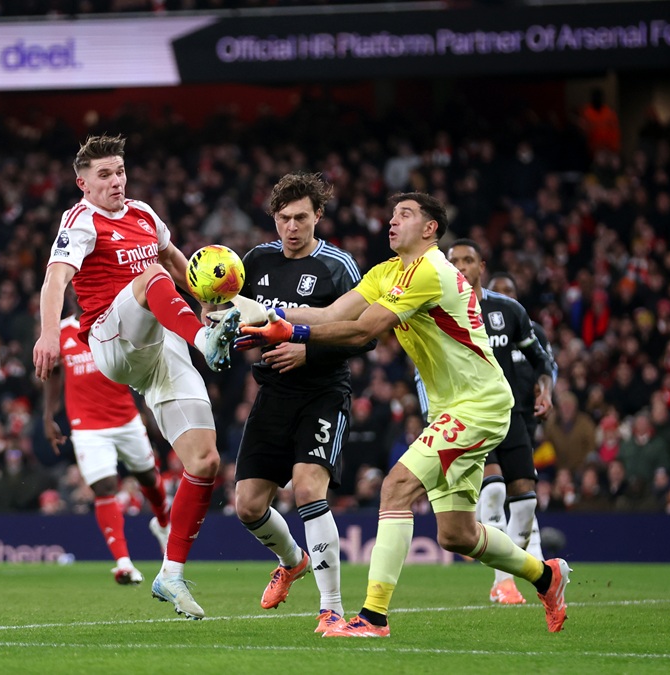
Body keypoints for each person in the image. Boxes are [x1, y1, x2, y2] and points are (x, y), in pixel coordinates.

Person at [237, 192, 571, 637]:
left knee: (395, 488)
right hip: (455, 408)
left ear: (430, 228)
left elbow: (364, 328)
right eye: (392, 214)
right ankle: (547, 577)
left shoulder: (430, 270)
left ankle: (373, 617)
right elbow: (331, 312)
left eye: (405, 215)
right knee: (457, 535)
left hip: (481, 403)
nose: (392, 221)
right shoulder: (388, 272)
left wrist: (296, 331)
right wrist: (256, 315)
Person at [32, 134, 241, 620]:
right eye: (104, 175)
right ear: (82, 183)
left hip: (160, 346)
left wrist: (209, 297)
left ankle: (170, 573)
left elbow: (178, 264)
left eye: (120, 171)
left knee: (205, 461)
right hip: (110, 337)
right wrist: (47, 335)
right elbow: (55, 279)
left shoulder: (145, 214)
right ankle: (206, 340)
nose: (116, 182)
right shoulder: (80, 221)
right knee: (150, 280)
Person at [228, 172, 371, 634]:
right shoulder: (257, 259)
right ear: (274, 217)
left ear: (319, 216)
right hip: (273, 394)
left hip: (323, 391)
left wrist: (308, 349)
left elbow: (364, 336)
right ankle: (292, 561)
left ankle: (331, 609)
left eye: (302, 218)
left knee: (310, 488)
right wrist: (231, 336)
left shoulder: (339, 266)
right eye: (285, 218)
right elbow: (244, 318)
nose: (292, 227)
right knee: (248, 506)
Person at [444, 240, 556, 605]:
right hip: (469, 417)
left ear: (482, 266)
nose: (461, 266)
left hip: (510, 415)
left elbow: (540, 361)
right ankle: (502, 582)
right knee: (492, 491)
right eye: (453, 261)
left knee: (525, 503)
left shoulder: (508, 310)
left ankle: (523, 573)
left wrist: (545, 389)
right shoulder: (438, 310)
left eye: (467, 260)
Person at [43, 312, 172, 585]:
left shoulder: (115, 320)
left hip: (125, 418)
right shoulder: (62, 331)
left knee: (148, 477)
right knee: (104, 487)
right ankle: (123, 563)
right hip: (87, 427)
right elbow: (54, 374)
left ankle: (162, 522)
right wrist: (48, 415)